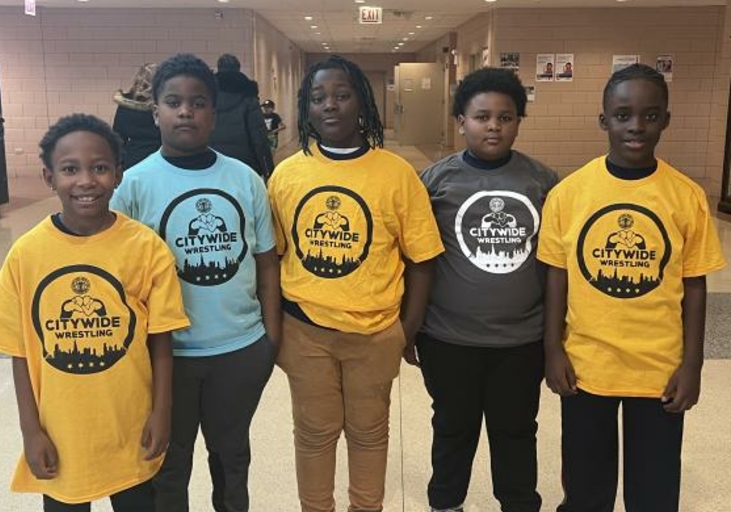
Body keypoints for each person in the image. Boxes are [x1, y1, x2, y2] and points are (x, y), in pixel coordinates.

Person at [0, 113, 190, 511]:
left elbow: (161, 339)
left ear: (119, 174)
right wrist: (30, 431)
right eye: (70, 169)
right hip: (61, 434)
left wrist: (162, 412)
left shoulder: (145, 248)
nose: (87, 181)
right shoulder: (27, 254)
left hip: (129, 426)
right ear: (49, 177)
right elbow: (18, 351)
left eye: (100, 168)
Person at [538, 63, 726, 512]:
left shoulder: (686, 196)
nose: (636, 126)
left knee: (655, 490)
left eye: (650, 115)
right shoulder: (570, 193)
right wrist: (553, 350)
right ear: (604, 120)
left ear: (666, 119)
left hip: (659, 369)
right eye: (623, 115)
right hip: (587, 365)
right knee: (585, 487)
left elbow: (695, 284)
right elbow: (556, 275)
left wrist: (693, 365)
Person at [268, 55, 445, 512]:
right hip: (305, 329)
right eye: (318, 97)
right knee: (313, 432)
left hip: (375, 331)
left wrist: (407, 329)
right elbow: (273, 257)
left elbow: (422, 258)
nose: (330, 106)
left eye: (342, 95)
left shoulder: (396, 174)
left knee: (369, 433)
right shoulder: (287, 174)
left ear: (362, 104)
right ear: (305, 109)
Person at [110, 53, 280, 512]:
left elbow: (266, 262)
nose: (185, 111)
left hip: (239, 350)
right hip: (167, 356)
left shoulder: (244, 179)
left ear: (214, 110)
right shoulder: (132, 186)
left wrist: (271, 339)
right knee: (169, 465)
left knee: (232, 459)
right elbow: (117, 277)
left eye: (198, 102)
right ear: (156, 112)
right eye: (173, 101)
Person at [417, 67, 557, 512]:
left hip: (521, 339)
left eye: (505, 117)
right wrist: (409, 326)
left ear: (519, 122)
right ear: (461, 120)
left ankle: (518, 503)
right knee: (453, 427)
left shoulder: (543, 182)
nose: (493, 126)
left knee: (515, 429)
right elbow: (414, 259)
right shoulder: (435, 181)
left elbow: (557, 264)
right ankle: (446, 502)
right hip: (447, 338)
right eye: (481, 117)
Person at [209, 53, 274, 179]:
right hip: (244, 166)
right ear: (238, 68)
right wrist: (268, 170)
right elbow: (259, 138)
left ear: (219, 68)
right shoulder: (249, 98)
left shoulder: (207, 97)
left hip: (212, 163)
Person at [112, 63, 161, 170]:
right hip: (160, 160)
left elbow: (118, 138)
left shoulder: (126, 103)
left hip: (132, 161)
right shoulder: (165, 104)